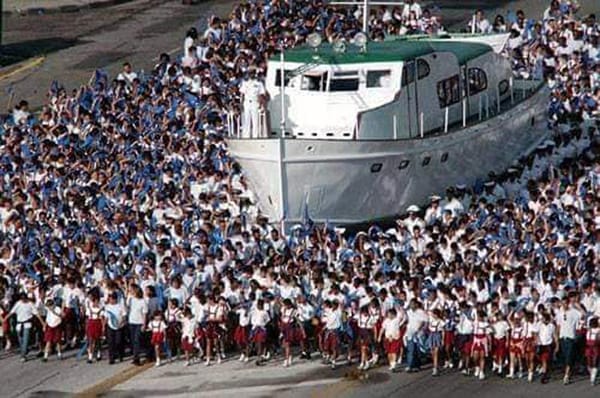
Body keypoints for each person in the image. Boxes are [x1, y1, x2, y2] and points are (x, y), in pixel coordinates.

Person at [3, 294, 44, 362]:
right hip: (19, 325)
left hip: (27, 324)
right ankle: (25, 349)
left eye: (24, 299)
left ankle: (23, 355)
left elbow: (37, 314)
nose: (23, 300)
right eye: (22, 299)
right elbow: (11, 312)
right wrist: (5, 319)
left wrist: (43, 323)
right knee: (21, 341)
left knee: (25, 340)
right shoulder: (18, 304)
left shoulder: (30, 304)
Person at [556, 295, 583, 385]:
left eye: (566, 303)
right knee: (564, 357)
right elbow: (558, 325)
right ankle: (569, 371)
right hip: (562, 338)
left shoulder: (573, 312)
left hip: (570, 337)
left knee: (569, 357)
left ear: (568, 303)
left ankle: (566, 375)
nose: (564, 305)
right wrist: (557, 337)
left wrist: (577, 305)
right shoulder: (560, 313)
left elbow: (583, 315)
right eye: (562, 303)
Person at [239, 69, 267, 138]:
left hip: (255, 102)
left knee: (255, 120)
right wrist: (241, 103)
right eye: (249, 73)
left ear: (255, 74)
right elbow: (242, 94)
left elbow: (261, 94)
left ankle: (255, 136)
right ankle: (246, 136)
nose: (250, 75)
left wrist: (262, 105)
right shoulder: (245, 82)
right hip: (247, 102)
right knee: (246, 119)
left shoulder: (259, 83)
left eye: (252, 73)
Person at [127, 284, 148, 366]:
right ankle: (135, 356)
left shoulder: (143, 301)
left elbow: (145, 314)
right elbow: (127, 306)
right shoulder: (131, 299)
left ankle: (136, 358)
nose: (131, 291)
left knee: (137, 340)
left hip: (139, 323)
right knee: (133, 341)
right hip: (132, 322)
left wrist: (144, 324)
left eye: (132, 290)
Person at [104, 292, 126, 365]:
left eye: (111, 299)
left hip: (119, 326)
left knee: (118, 341)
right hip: (110, 326)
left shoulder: (120, 306)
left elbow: (124, 316)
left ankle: (120, 354)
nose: (110, 300)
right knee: (110, 342)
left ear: (115, 299)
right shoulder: (107, 307)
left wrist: (122, 322)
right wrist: (104, 326)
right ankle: (111, 358)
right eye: (109, 299)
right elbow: (106, 317)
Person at [250, 298, 271, 366]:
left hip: (261, 329)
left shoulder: (265, 312)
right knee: (256, 344)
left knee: (260, 343)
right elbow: (252, 319)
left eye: (260, 305)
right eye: (258, 305)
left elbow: (267, 321)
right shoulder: (254, 312)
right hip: (254, 328)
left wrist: (264, 326)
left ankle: (259, 358)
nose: (259, 306)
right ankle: (261, 355)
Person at [85, 291, 105, 364]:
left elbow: (102, 319)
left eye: (97, 301)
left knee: (98, 340)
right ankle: (90, 357)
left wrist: (103, 327)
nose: (96, 303)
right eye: (94, 301)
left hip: (98, 324)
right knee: (90, 340)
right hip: (91, 324)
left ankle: (99, 353)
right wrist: (86, 327)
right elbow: (87, 319)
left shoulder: (101, 309)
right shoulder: (89, 308)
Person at [585, 317, 599, 385]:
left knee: (594, 362)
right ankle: (592, 374)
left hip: (595, 347)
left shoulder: (598, 330)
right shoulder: (589, 330)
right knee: (589, 363)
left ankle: (593, 378)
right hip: (589, 347)